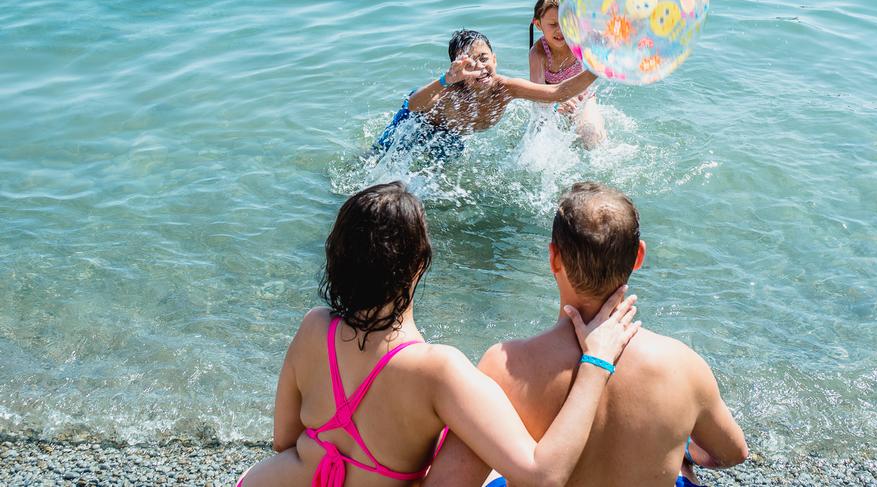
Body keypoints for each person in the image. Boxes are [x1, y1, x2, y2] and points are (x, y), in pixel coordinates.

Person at [235, 181, 640, 487]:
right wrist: (596, 363)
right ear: (419, 265)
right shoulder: (437, 370)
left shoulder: (313, 326)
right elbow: (542, 475)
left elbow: (284, 440)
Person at [424, 182, 748, 487]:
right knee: (679, 464)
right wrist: (680, 447)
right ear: (639, 256)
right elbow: (733, 453)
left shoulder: (506, 368)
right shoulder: (684, 366)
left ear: (554, 258)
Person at [373, 29, 597, 159]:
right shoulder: (450, 91)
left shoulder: (505, 88)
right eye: (470, 63)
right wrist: (445, 80)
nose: (480, 67)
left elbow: (557, 92)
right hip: (416, 121)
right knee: (378, 157)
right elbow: (413, 105)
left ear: (495, 59)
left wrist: (598, 67)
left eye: (483, 58)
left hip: (453, 136)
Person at [528, 0, 606, 149]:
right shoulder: (538, 54)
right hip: (552, 103)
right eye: (553, 24)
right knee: (539, 144)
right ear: (538, 24)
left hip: (583, 98)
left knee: (592, 137)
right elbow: (537, 95)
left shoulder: (581, 40)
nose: (560, 30)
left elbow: (611, 41)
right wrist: (557, 103)